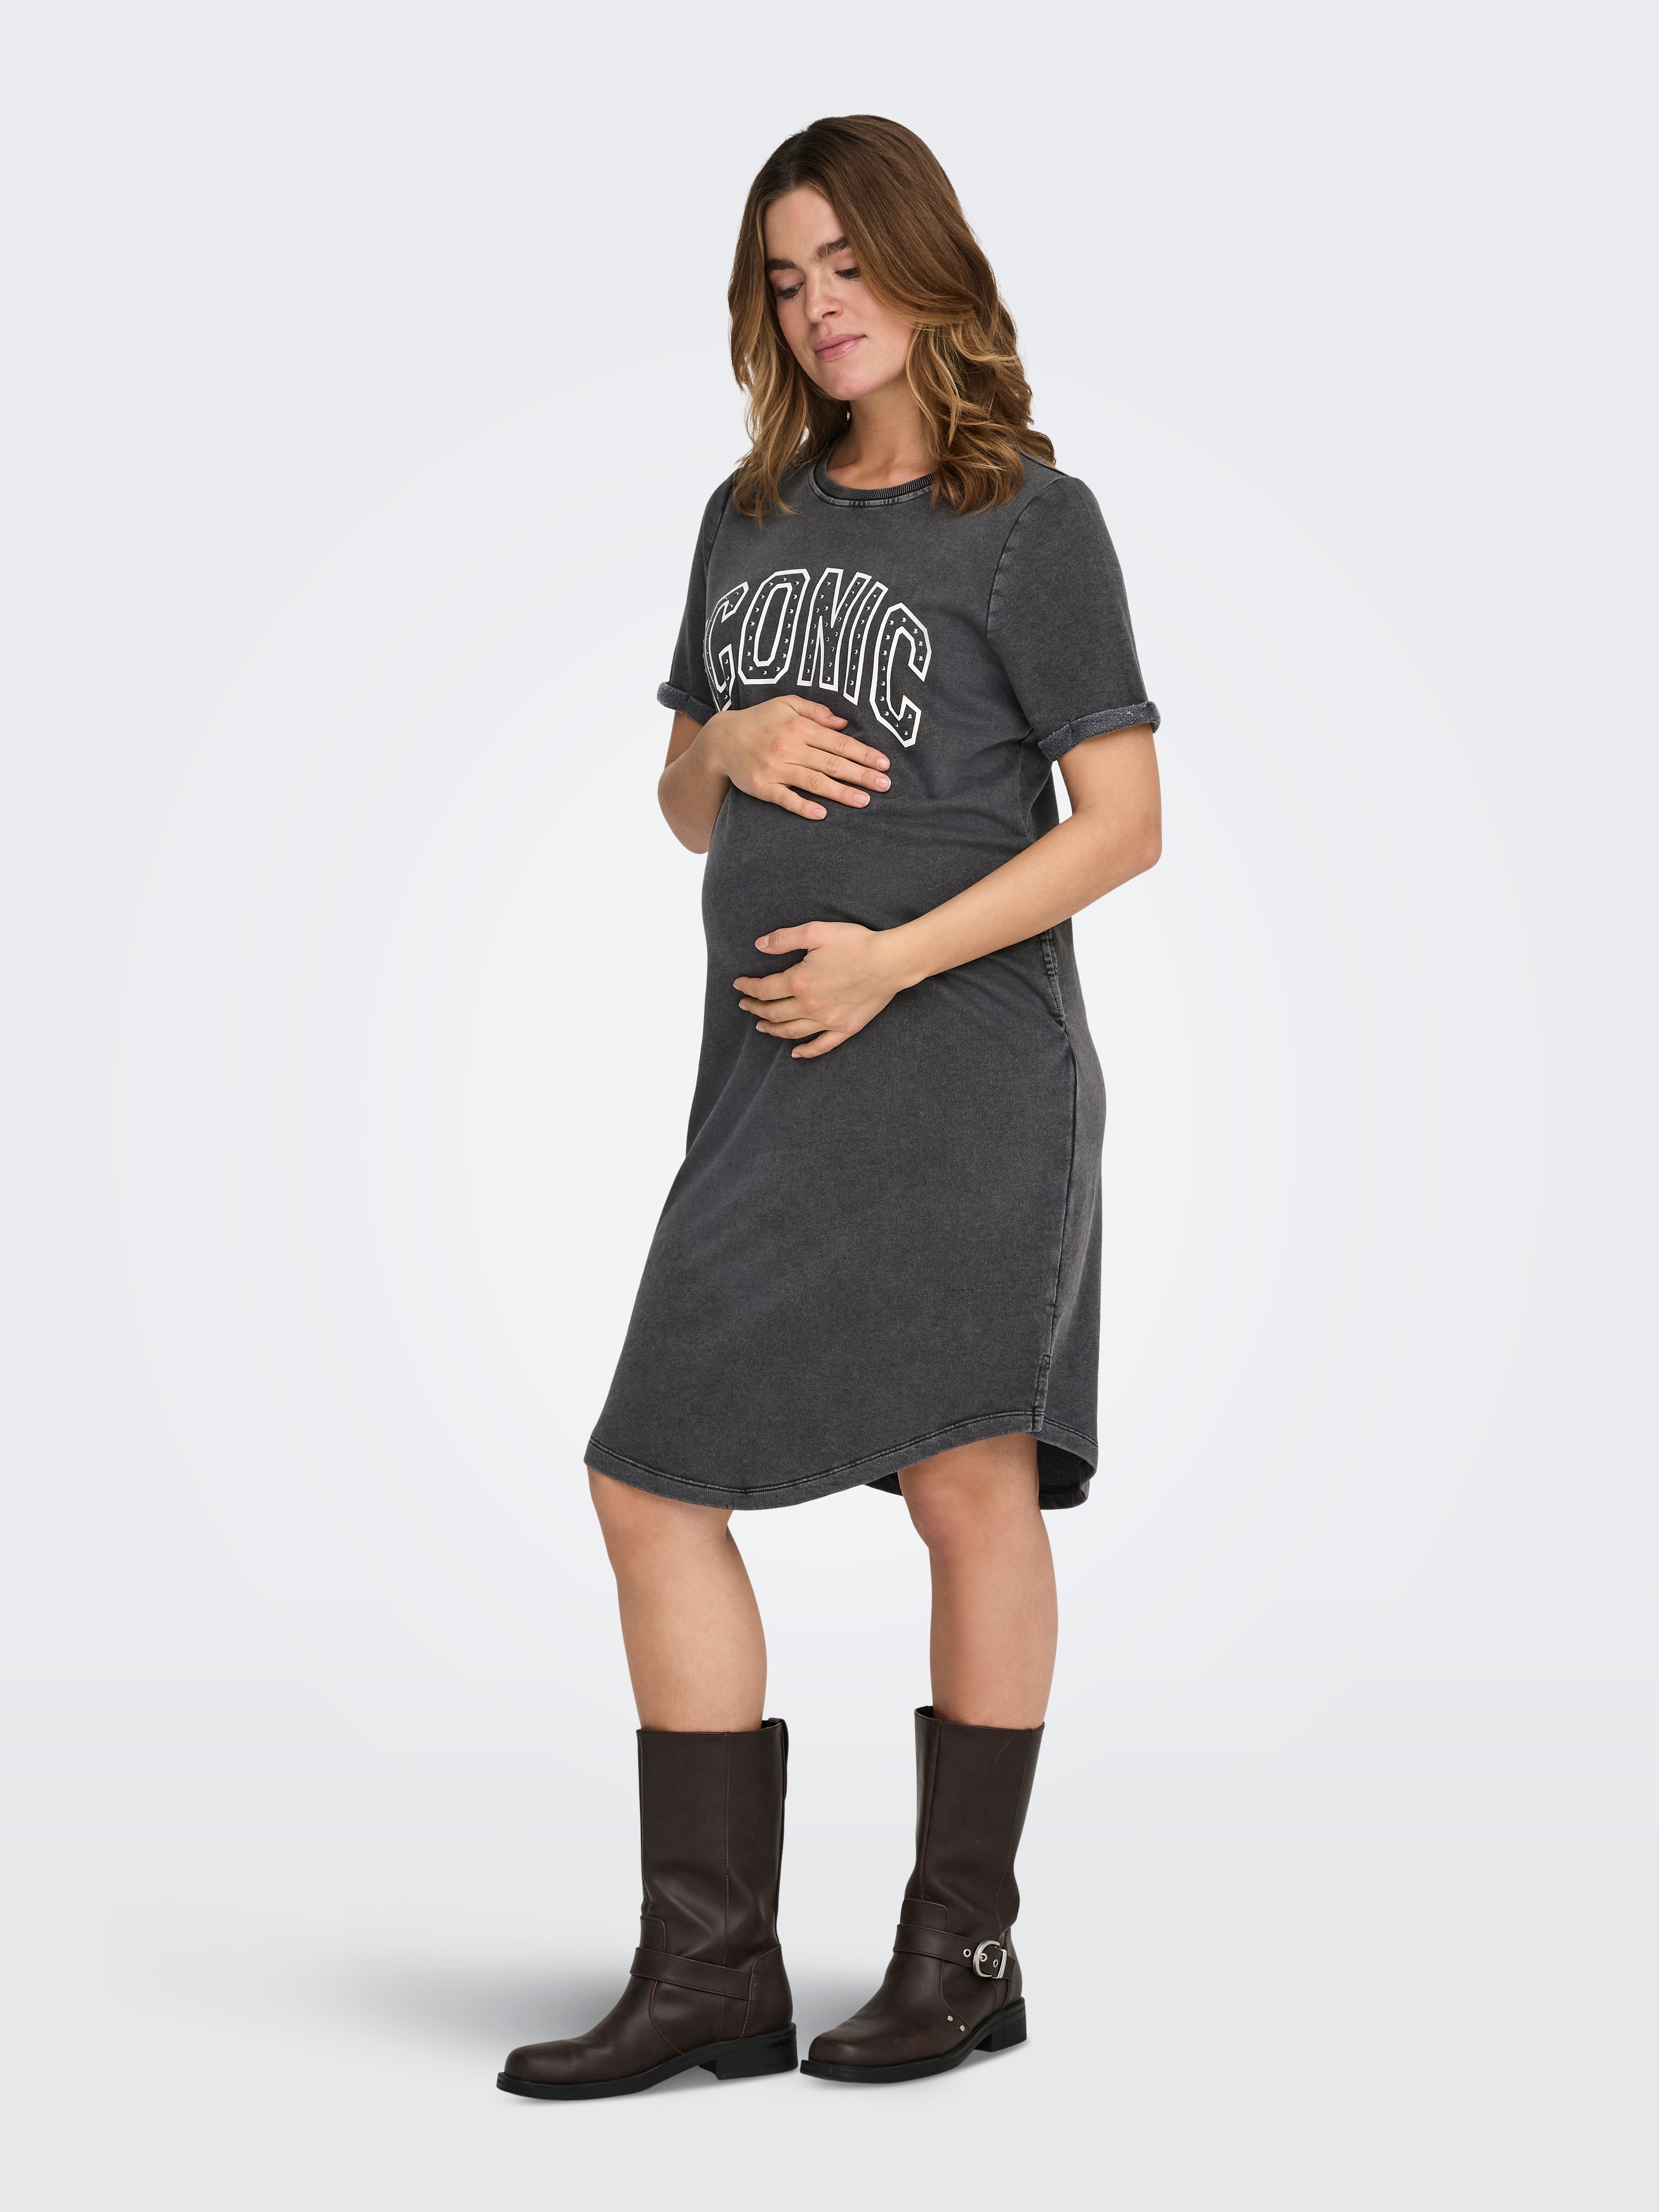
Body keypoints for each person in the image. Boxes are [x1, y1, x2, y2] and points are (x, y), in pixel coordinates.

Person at [498, 114, 1161, 2100]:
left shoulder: (1033, 522)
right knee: (650, 1479)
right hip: (762, 1093)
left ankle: (962, 1951)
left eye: (848, 265)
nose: (819, 307)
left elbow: (1123, 824)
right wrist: (719, 739)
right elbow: (681, 808)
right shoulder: (749, 515)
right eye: (786, 281)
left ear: (924, 268)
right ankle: (710, 1967)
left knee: (965, 1484)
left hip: (965, 1071)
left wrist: (890, 960)